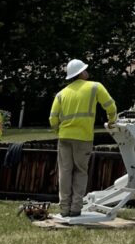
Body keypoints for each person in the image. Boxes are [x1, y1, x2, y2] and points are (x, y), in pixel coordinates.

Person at [49, 59, 117, 219]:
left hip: (64, 138)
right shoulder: (95, 87)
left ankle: (64, 209)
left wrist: (59, 130)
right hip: (83, 139)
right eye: (85, 69)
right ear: (81, 73)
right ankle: (75, 209)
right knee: (80, 172)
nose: (87, 71)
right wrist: (112, 120)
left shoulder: (61, 94)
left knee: (64, 172)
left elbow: (52, 119)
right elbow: (110, 106)